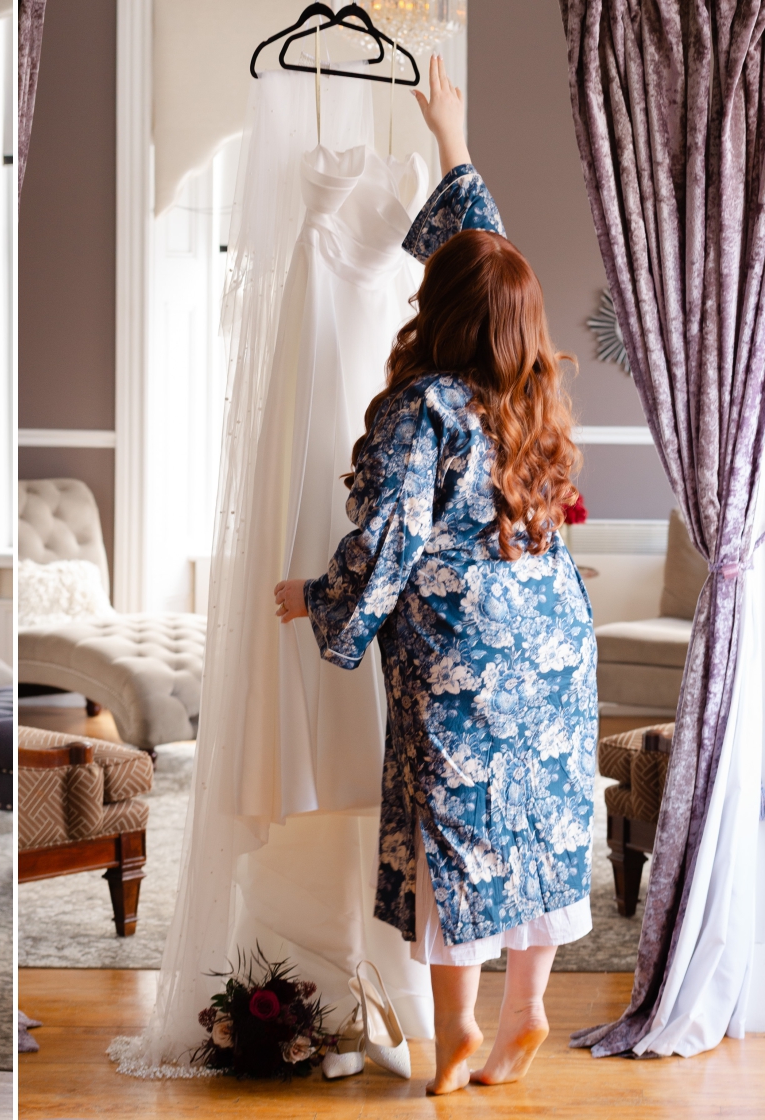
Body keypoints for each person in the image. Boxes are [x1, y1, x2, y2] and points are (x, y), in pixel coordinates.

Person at [273, 57, 597, 1096]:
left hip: (457, 653)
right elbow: (494, 257)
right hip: (553, 638)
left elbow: (389, 540)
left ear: (439, 308)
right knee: (537, 816)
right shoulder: (532, 394)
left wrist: (316, 600)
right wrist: (452, 139)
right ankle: (529, 1006)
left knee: (453, 827)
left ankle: (456, 1029)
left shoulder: (423, 409)